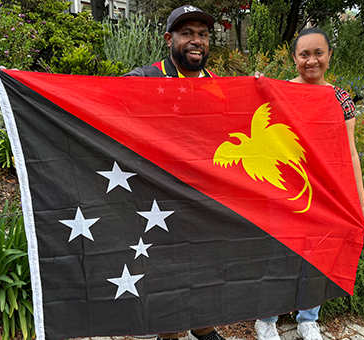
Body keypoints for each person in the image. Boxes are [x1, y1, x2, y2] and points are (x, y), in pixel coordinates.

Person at [253, 27, 364, 340]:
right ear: (294, 58)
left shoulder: (340, 98)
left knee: (318, 258)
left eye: (318, 53)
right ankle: (266, 320)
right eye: (304, 54)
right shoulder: (280, 91)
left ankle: (309, 318)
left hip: (326, 193)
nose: (311, 61)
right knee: (281, 256)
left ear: (329, 56)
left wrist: (360, 203)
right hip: (284, 192)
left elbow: (350, 153)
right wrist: (254, 86)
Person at [124, 6, 224, 340]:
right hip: (159, 197)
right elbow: (102, 95)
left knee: (208, 266)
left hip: (205, 196)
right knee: (166, 270)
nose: (197, 41)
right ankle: (169, 335)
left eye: (203, 34)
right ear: (170, 39)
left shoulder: (218, 86)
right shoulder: (147, 78)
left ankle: (204, 327)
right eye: (187, 33)